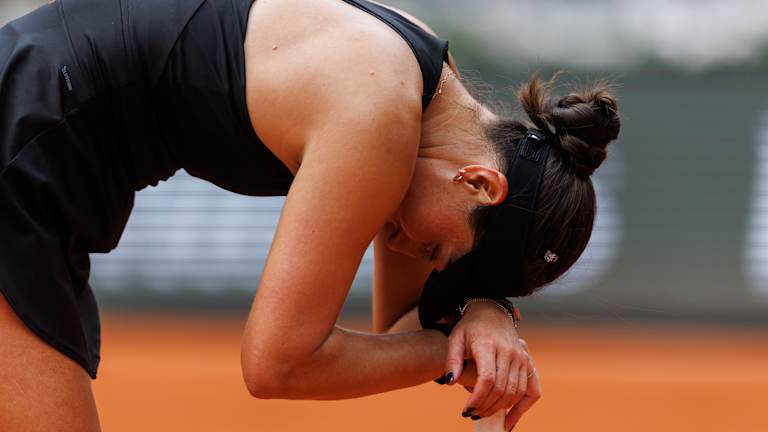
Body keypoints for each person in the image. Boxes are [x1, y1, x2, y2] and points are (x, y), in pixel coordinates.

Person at [0, 0, 620, 430]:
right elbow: (276, 364)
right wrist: (454, 350)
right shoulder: (378, 116)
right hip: (27, 137)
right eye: (436, 251)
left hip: (36, 118)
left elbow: (400, 326)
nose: (407, 249)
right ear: (480, 184)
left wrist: (486, 313)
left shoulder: (423, 79)